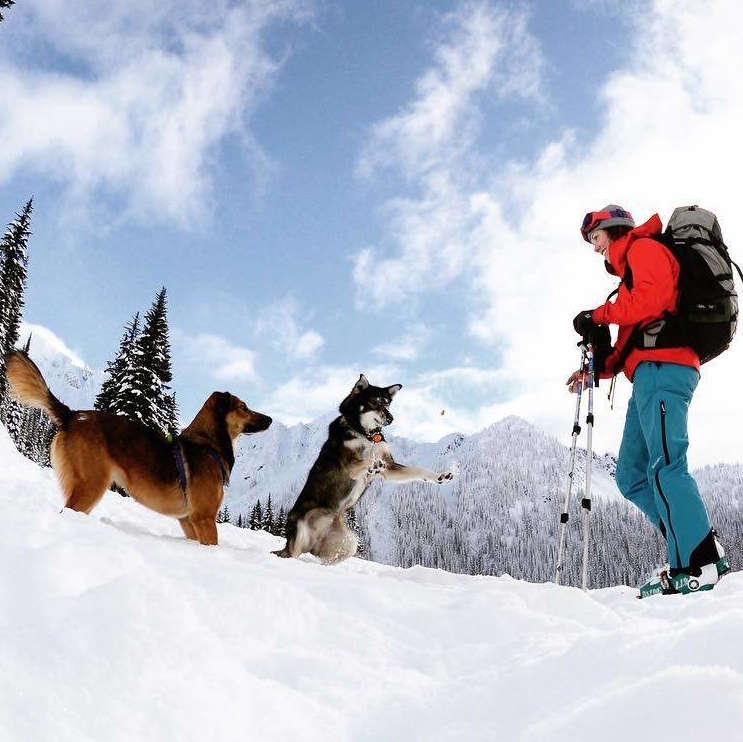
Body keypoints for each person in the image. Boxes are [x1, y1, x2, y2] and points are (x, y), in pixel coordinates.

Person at [566, 204, 730, 597]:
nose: (594, 248)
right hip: (647, 374)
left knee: (667, 467)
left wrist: (599, 314)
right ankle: (695, 543)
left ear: (613, 228)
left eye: (596, 238)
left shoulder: (644, 249)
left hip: (664, 368)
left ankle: (698, 563)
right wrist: (593, 372)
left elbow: (653, 301)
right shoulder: (629, 279)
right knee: (632, 476)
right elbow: (626, 345)